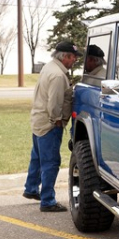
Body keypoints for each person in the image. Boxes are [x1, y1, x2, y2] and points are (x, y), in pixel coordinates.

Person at [23, 41, 80, 212]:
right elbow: (54, 102)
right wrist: (57, 120)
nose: (75, 60)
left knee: (37, 157)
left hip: (38, 120)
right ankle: (47, 200)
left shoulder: (50, 67)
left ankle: (31, 188)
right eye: (73, 57)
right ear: (65, 57)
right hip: (49, 124)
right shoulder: (57, 75)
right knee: (51, 162)